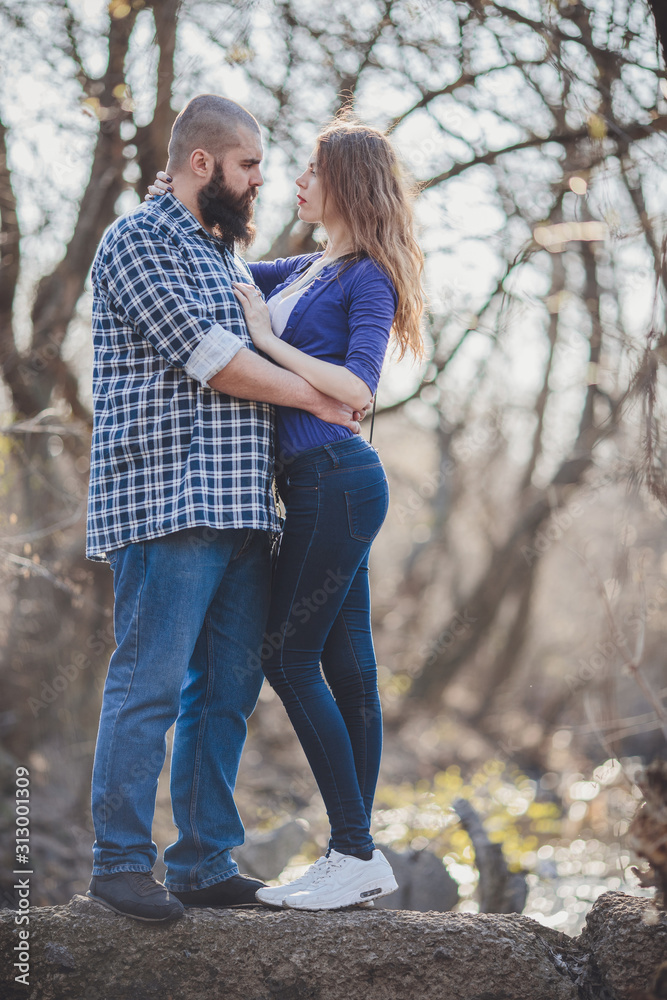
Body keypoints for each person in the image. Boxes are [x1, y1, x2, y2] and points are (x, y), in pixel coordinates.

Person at [85, 94, 363, 924]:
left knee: (227, 693)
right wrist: (322, 400)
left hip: (245, 508)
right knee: (149, 687)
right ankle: (119, 863)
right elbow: (216, 362)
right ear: (201, 163)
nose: (257, 187)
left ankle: (203, 862)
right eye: (248, 169)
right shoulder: (138, 241)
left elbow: (272, 337)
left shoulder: (222, 255)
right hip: (166, 503)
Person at [150, 116, 424, 910]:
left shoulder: (366, 275)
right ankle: (357, 853)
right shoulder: (305, 267)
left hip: (334, 478)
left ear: (346, 182)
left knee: (285, 657)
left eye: (308, 168)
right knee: (350, 672)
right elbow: (218, 264)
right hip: (317, 483)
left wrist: (269, 340)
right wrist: (174, 196)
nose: (291, 179)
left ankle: (353, 849)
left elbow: (357, 388)